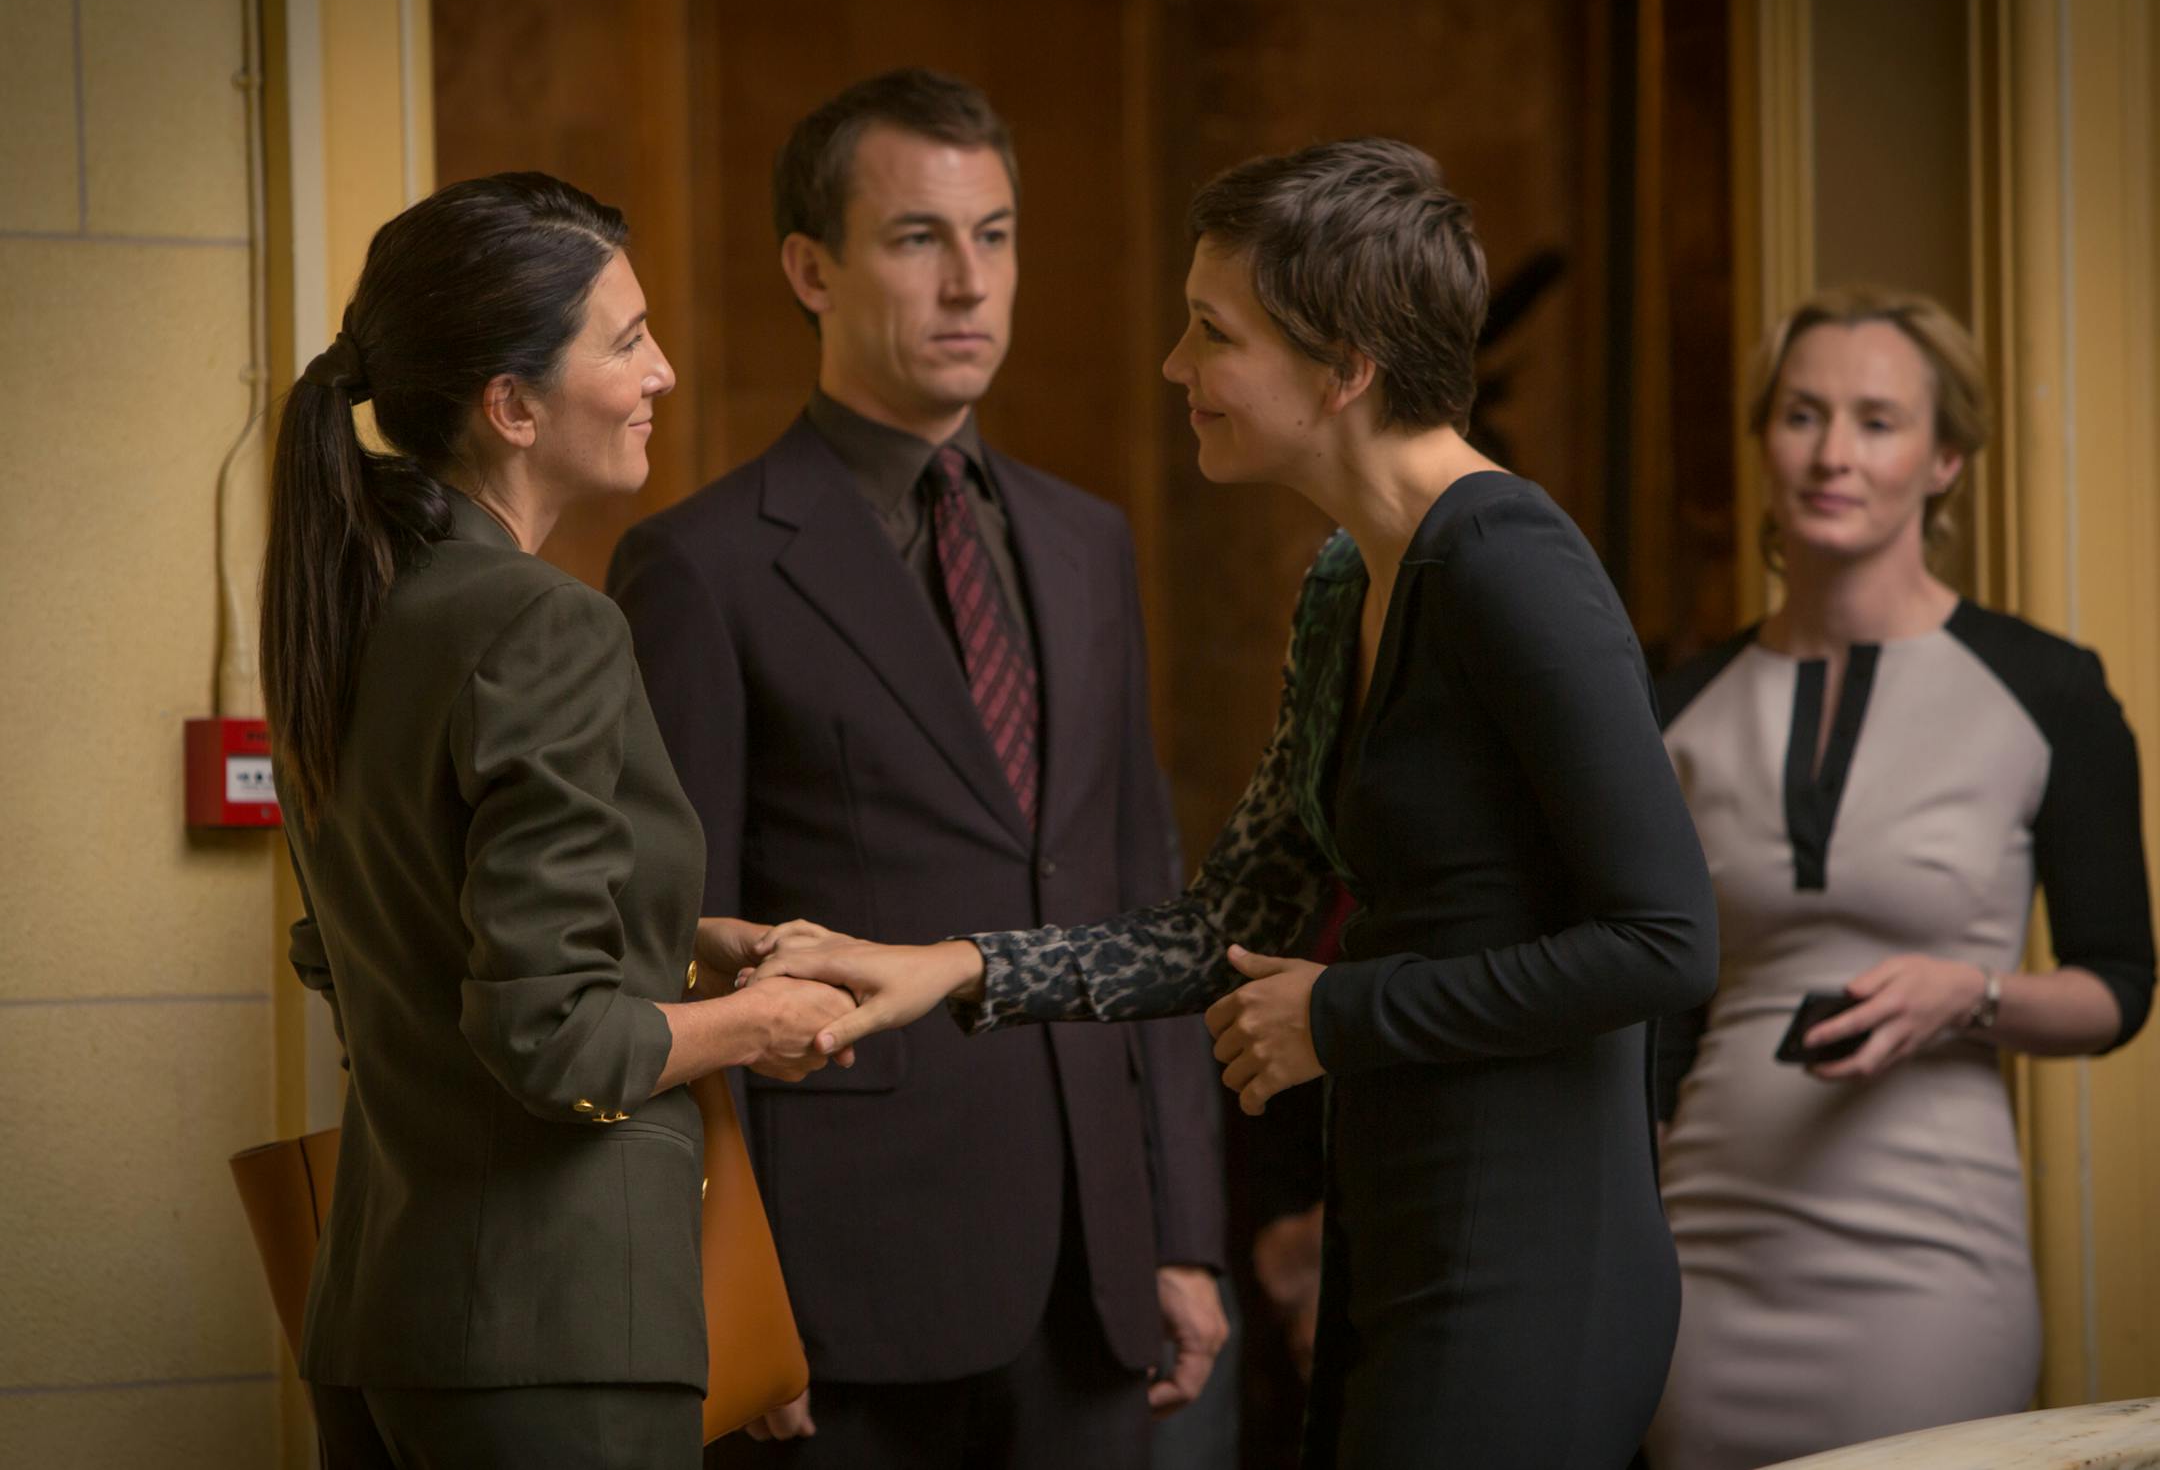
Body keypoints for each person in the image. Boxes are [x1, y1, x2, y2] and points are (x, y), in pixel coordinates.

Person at [747, 137, 1720, 1469]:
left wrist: (1339, 1011)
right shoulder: (1343, 581)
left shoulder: (1513, 565)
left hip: (1535, 1263)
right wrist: (944, 968)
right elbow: (1228, 924)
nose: (1173, 366)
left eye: (1213, 332)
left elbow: (1667, 942)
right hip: (1401, 1234)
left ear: (1346, 368)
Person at [606, 69, 1229, 1470]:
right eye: (917, 239)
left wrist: (1183, 1232)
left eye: (995, 235)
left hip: (1093, 1279)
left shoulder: (1090, 544)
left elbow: (1149, 904)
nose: (969, 285)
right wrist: (736, 1294)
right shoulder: (700, 567)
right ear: (810, 268)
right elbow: (673, 957)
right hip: (842, 1300)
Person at [261, 172, 856, 1469]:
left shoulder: (354, 616)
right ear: (512, 404)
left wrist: (685, 940)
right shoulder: (546, 623)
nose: (666, 374)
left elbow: (384, 943)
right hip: (551, 1334)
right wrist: (765, 1018)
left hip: (385, 1314)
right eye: (629, 339)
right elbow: (549, 1038)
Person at [1641, 287, 2156, 1469]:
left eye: (1877, 421)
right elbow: (1656, 1016)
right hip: (1704, 1263)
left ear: (1945, 459)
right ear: (1764, 438)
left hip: (1930, 1272)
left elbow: (2121, 985)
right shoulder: (1672, 707)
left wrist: (1970, 994)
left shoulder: (2049, 691)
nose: (1833, 454)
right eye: (1803, 414)